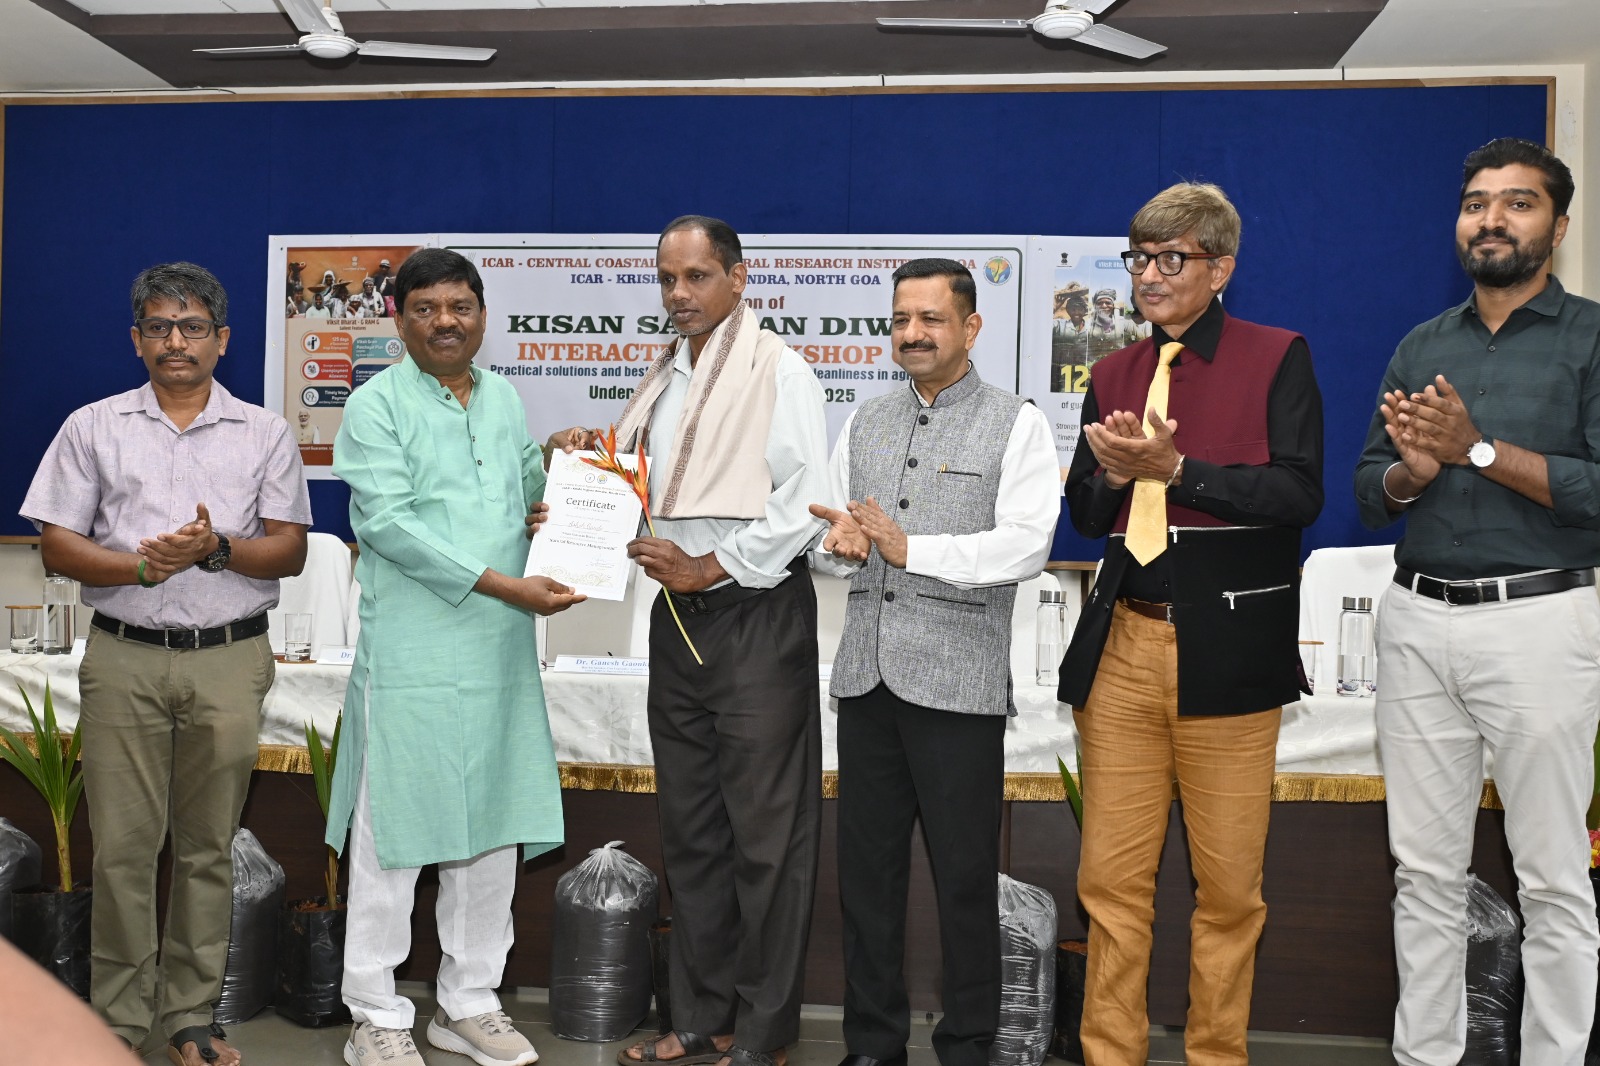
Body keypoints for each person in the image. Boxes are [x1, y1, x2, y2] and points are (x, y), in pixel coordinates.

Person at [1057, 182, 1323, 1066]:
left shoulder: (1277, 356)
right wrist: (1111, 472)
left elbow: (1299, 494)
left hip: (1228, 653)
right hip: (1122, 648)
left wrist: (1177, 470)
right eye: (1138, 258)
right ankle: (1111, 1054)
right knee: (1110, 886)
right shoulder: (1112, 374)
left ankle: (1217, 1055)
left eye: (1172, 259)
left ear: (1222, 268)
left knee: (1230, 892)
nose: (1149, 275)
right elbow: (1085, 517)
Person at [20, 261, 312, 1066]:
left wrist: (215, 549)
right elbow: (58, 546)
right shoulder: (92, 427)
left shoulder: (264, 432)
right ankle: (116, 1024)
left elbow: (288, 551)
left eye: (191, 328)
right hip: (125, 659)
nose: (174, 341)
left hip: (228, 659)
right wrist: (143, 568)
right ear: (136, 339)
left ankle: (189, 1017)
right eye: (158, 327)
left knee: (207, 849)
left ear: (221, 340)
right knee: (122, 851)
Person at [1354, 137, 1600, 1065]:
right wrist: (1414, 475)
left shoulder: (1591, 337)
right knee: (1423, 875)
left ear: (1558, 227)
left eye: (1518, 202)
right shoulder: (1423, 344)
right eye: (1476, 203)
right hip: (1418, 620)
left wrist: (1478, 451)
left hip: (1541, 622)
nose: (1491, 219)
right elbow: (1369, 487)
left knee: (1552, 881)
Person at [327, 248, 586, 1066]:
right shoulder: (375, 407)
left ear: (482, 314)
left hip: (498, 656)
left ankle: (469, 1001)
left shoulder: (503, 398)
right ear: (399, 318)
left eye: (461, 306)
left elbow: (526, 494)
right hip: (413, 658)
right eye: (427, 308)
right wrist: (507, 586)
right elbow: (389, 526)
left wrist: (566, 471)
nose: (446, 321)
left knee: (492, 831)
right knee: (393, 837)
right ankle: (374, 1011)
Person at [809, 259, 1059, 1066]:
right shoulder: (864, 421)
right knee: (867, 881)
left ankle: (969, 1046)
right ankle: (871, 1045)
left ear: (971, 328)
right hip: (867, 682)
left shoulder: (1016, 422)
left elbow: (1026, 547)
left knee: (964, 881)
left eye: (931, 319)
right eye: (900, 320)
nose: (912, 334)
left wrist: (908, 547)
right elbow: (828, 545)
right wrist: (839, 546)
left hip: (959, 687)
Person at [602, 215, 835, 1066]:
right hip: (675, 616)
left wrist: (713, 566)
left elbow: (806, 501)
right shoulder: (662, 377)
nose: (679, 294)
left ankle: (763, 1033)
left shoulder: (782, 369)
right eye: (667, 278)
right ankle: (701, 1018)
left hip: (754, 616)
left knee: (767, 843)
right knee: (693, 833)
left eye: (697, 276)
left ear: (739, 278)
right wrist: (584, 481)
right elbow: (639, 488)